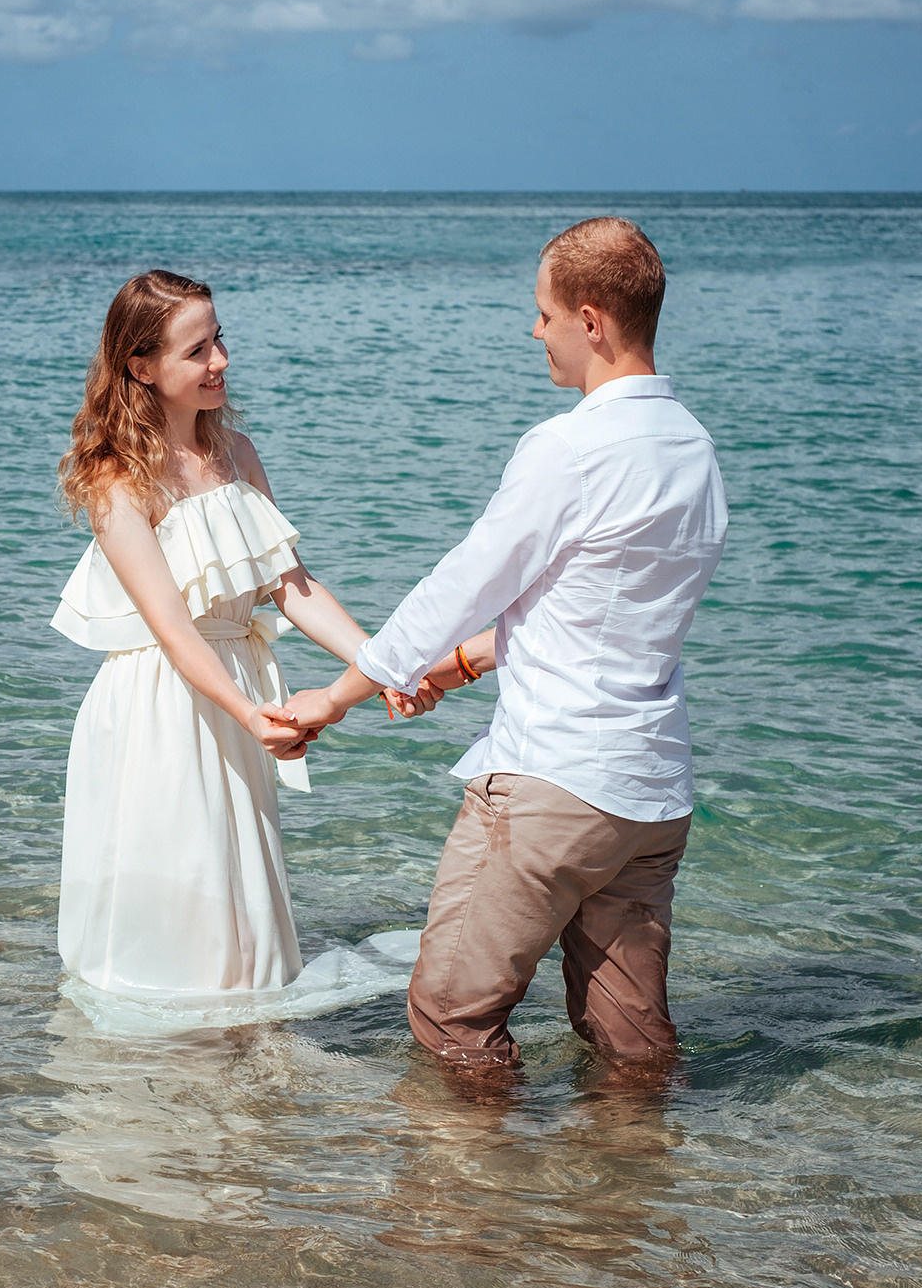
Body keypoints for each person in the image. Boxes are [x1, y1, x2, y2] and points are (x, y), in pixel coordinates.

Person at [286, 218, 729, 1066]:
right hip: (651, 794)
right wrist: (459, 667)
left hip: (553, 784)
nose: (536, 331)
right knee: (630, 1039)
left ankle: (479, 1198)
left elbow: (462, 584)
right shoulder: (694, 449)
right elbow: (603, 607)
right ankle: (624, 1191)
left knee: (452, 1017)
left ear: (590, 321)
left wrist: (337, 696)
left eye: (544, 313)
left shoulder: (569, 447)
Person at [51, 270, 390, 996]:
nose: (221, 362)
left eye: (219, 340)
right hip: (162, 706)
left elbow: (294, 589)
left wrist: (385, 662)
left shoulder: (237, 453)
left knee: (239, 916)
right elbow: (172, 629)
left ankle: (243, 1082)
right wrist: (249, 713)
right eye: (198, 350)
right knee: (184, 909)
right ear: (142, 367)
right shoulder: (118, 479)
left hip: (233, 691)